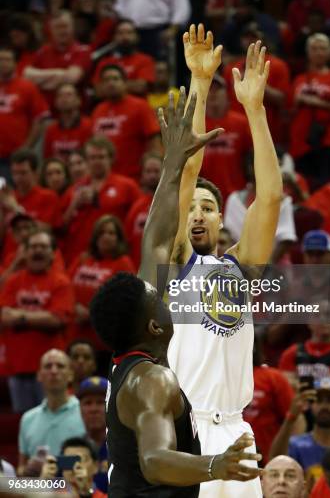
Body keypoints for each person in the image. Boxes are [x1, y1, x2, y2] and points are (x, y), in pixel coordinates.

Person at [90, 90, 262, 494]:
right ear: (154, 324)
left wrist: (173, 164)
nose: (170, 304)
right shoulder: (153, 380)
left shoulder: (129, 362)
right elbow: (154, 461)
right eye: (161, 303)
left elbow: (156, 241)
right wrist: (215, 465)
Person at [167, 26, 282, 498]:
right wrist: (199, 82)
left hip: (236, 432)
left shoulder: (238, 266)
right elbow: (187, 168)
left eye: (208, 208)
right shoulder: (172, 260)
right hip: (183, 430)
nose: (197, 213)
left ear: (221, 221)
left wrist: (254, 110)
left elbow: (271, 197)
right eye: (191, 206)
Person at [0, 227, 74, 413]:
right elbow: (5, 317)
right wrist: (40, 317)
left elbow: (57, 320)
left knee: (55, 415)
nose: (37, 251)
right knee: (25, 423)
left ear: (52, 253)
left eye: (43, 246)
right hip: (17, 367)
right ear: (25, 252)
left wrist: (21, 316)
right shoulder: (13, 281)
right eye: (33, 247)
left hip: (52, 369)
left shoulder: (61, 282)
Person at [60, 136, 140, 265]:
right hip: (80, 260)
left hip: (115, 259)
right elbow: (60, 227)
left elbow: (139, 222)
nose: (97, 161)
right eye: (92, 158)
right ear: (86, 160)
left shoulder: (127, 186)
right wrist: (74, 205)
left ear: (111, 159)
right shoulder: (73, 190)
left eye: (101, 157)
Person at [290, 34, 330, 186]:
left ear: (329, 53)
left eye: (323, 49)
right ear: (308, 53)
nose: (318, 52)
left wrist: (316, 102)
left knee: (326, 183)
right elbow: (289, 108)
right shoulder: (299, 79)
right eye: (314, 49)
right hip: (302, 140)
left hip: (327, 138)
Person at [69, 214, 135, 347]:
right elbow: (66, 288)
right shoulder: (83, 259)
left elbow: (127, 300)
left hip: (103, 340)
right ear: (95, 237)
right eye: (102, 233)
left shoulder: (123, 263)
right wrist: (73, 307)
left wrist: (92, 314)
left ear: (118, 238)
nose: (106, 236)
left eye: (111, 233)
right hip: (76, 334)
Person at [18, 349, 85, 476]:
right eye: (48, 366)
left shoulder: (84, 413)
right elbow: (21, 468)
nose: (54, 371)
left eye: (60, 366)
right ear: (39, 375)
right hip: (38, 492)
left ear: (71, 374)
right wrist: (26, 471)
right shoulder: (27, 419)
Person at [90, 63, 161, 179]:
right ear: (101, 85)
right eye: (106, 80)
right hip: (106, 178)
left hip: (134, 176)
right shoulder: (98, 110)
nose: (111, 83)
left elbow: (154, 142)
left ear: (125, 83)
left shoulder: (141, 106)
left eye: (115, 79)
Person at [243, 333, 301, 466]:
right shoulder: (219, 380)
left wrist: (290, 458)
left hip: (269, 460)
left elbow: (296, 420)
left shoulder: (274, 378)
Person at [23, 10, 91, 110]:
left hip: (75, 112)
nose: (62, 31)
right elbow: (26, 76)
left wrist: (41, 82)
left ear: (73, 27)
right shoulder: (42, 51)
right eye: (57, 27)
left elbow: (71, 79)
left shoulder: (83, 50)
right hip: (46, 111)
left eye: (65, 26)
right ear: (51, 30)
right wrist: (59, 74)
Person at [0, 45, 49, 182]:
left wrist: (27, 147)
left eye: (7, 60)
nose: (3, 63)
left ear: (15, 63)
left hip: (15, 158)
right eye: (0, 60)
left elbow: (39, 119)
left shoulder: (27, 87)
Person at [92, 19, 155, 97]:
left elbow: (140, 87)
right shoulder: (105, 62)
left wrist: (110, 85)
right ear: (114, 37)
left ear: (137, 37)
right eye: (120, 33)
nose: (125, 37)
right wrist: (131, 84)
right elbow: (98, 91)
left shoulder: (145, 60)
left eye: (129, 33)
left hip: (137, 106)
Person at [125, 152, 163, 269]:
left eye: (156, 171)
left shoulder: (175, 203)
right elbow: (127, 240)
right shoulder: (136, 206)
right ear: (142, 175)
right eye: (148, 171)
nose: (152, 176)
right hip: (139, 267)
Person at [40, 436, 106, 498]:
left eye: (80, 459)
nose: (75, 466)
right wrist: (43, 484)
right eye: (69, 460)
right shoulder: (52, 495)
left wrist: (85, 492)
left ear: (96, 466)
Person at [43, 83, 92, 161]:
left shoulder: (89, 126)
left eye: (69, 95)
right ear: (55, 102)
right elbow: (48, 160)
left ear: (79, 100)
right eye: (60, 95)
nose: (64, 98)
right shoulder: (50, 130)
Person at [77, 377, 109, 493]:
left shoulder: (125, 448)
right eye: (88, 403)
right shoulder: (72, 449)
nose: (93, 409)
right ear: (79, 409)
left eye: (100, 402)